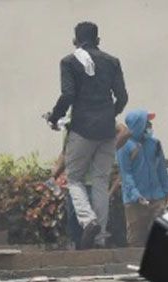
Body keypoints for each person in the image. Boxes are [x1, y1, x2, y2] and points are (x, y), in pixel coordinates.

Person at [46, 21, 128, 250]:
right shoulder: (112, 62)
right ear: (98, 40)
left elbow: (68, 95)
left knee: (75, 179)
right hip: (106, 130)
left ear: (75, 41)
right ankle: (100, 236)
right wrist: (109, 114)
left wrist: (54, 117)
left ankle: (88, 221)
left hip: (82, 129)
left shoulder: (69, 62)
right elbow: (122, 97)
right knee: (101, 181)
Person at [116, 109, 168, 247]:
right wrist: (136, 195)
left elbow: (161, 170)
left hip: (157, 198)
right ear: (137, 125)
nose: (149, 126)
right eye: (146, 123)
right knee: (136, 239)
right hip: (135, 202)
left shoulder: (155, 144)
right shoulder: (124, 146)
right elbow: (125, 174)